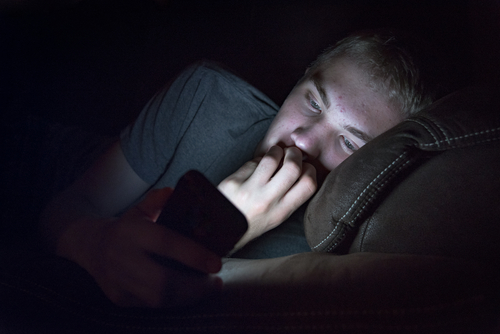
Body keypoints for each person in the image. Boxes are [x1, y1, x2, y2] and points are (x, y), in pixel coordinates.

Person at [39, 30, 442, 308]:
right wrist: (91, 241)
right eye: (314, 102)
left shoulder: (340, 247)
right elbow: (74, 203)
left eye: (349, 142)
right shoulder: (207, 94)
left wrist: (226, 224)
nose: (303, 140)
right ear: (299, 80)